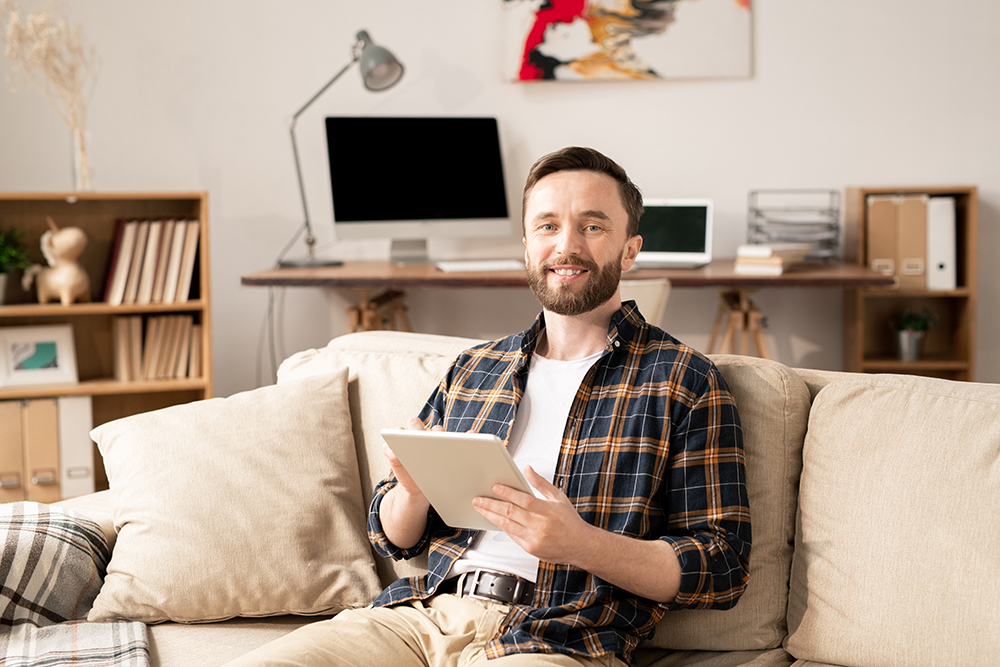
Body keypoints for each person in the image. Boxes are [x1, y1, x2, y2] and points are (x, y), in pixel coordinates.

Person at [228, 147, 750, 667]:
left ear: (630, 249)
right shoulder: (476, 369)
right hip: (421, 618)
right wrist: (411, 493)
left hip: (555, 636)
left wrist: (581, 544)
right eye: (547, 227)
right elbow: (392, 537)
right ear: (526, 246)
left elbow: (723, 565)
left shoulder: (685, 380)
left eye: (591, 227)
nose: (565, 246)